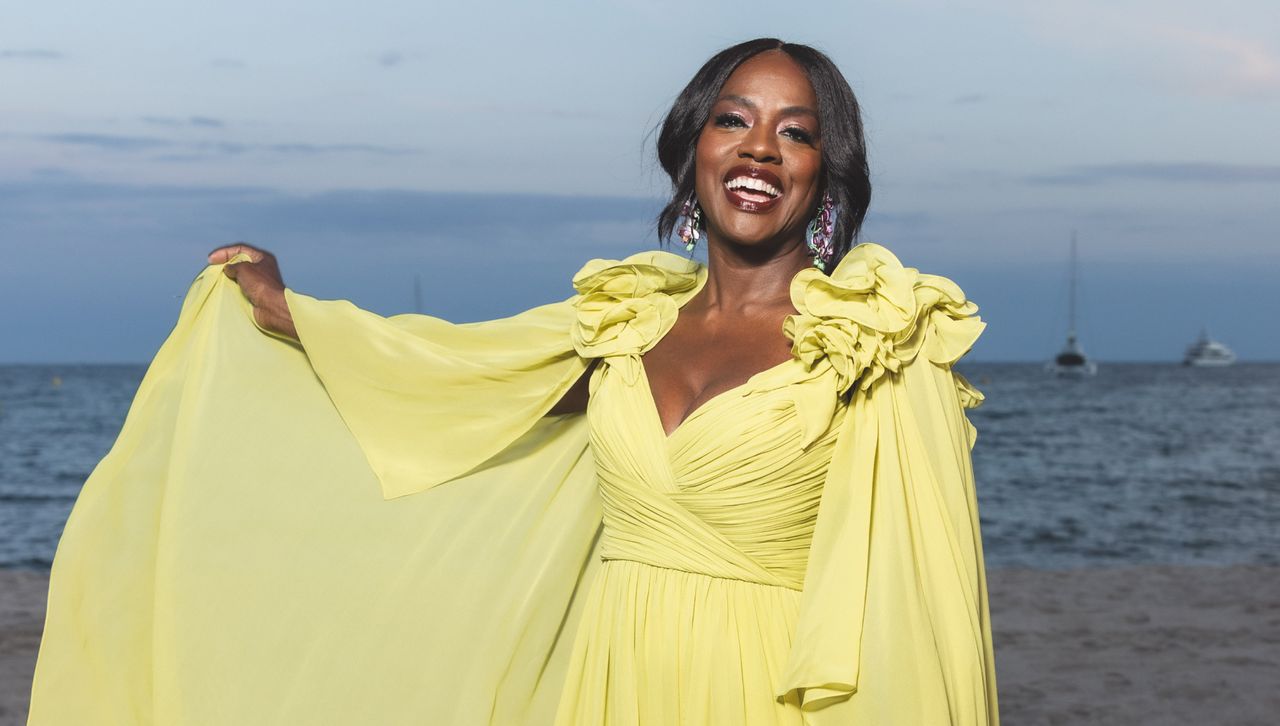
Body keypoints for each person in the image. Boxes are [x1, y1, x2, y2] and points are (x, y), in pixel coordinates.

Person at [28, 38, 999, 725]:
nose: (756, 147)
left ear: (825, 171)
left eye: (793, 131)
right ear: (690, 151)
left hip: (776, 688)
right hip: (608, 680)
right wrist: (284, 312)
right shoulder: (621, 324)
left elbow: (921, 595)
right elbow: (443, 379)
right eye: (731, 121)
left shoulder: (873, 338)